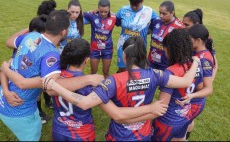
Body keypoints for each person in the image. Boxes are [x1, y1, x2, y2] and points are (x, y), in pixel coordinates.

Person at [41, 36, 200, 141]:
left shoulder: (112, 81)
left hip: (119, 135)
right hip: (142, 134)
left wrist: (55, 86)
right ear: (143, 55)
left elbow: (85, 103)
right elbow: (186, 81)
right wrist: (196, 63)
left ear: (124, 56)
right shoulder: (156, 74)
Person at [0, 10, 104, 141]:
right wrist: (88, 79)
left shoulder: (31, 36)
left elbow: (9, 42)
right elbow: (51, 87)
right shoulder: (51, 55)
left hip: (5, 97)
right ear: (63, 32)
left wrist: (5, 69)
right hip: (18, 109)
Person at [152, 28, 205, 141]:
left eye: (165, 50)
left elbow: (162, 105)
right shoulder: (196, 65)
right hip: (184, 117)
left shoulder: (171, 72)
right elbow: (200, 88)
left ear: (171, 49)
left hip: (167, 120)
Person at [183, 9, 218, 140]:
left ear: (198, 40)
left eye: (189, 40)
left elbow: (207, 88)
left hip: (194, 100)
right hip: (189, 97)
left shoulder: (203, 59)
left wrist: (192, 94)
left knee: (182, 127)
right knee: (183, 126)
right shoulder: (197, 52)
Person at [115, 0, 159, 73]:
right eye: (132, 4)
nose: (134, 7)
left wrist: (148, 30)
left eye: (137, 5)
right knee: (122, 71)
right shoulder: (123, 10)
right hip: (123, 46)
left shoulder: (149, 11)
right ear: (129, 1)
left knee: (137, 72)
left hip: (139, 48)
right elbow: (115, 21)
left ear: (142, 1)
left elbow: (158, 24)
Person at [83, 0, 116, 78]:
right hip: (94, 49)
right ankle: (91, 88)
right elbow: (79, 13)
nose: (103, 14)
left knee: (106, 72)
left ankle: (106, 89)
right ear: (97, 8)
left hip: (107, 49)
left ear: (109, 9)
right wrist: (90, 10)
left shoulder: (114, 17)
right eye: (101, 11)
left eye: (106, 11)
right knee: (93, 72)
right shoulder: (92, 15)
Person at [148, 0, 184, 70]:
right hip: (151, 61)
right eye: (160, 13)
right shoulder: (156, 21)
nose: (161, 16)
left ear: (172, 13)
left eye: (164, 14)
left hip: (166, 65)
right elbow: (148, 31)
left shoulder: (179, 27)